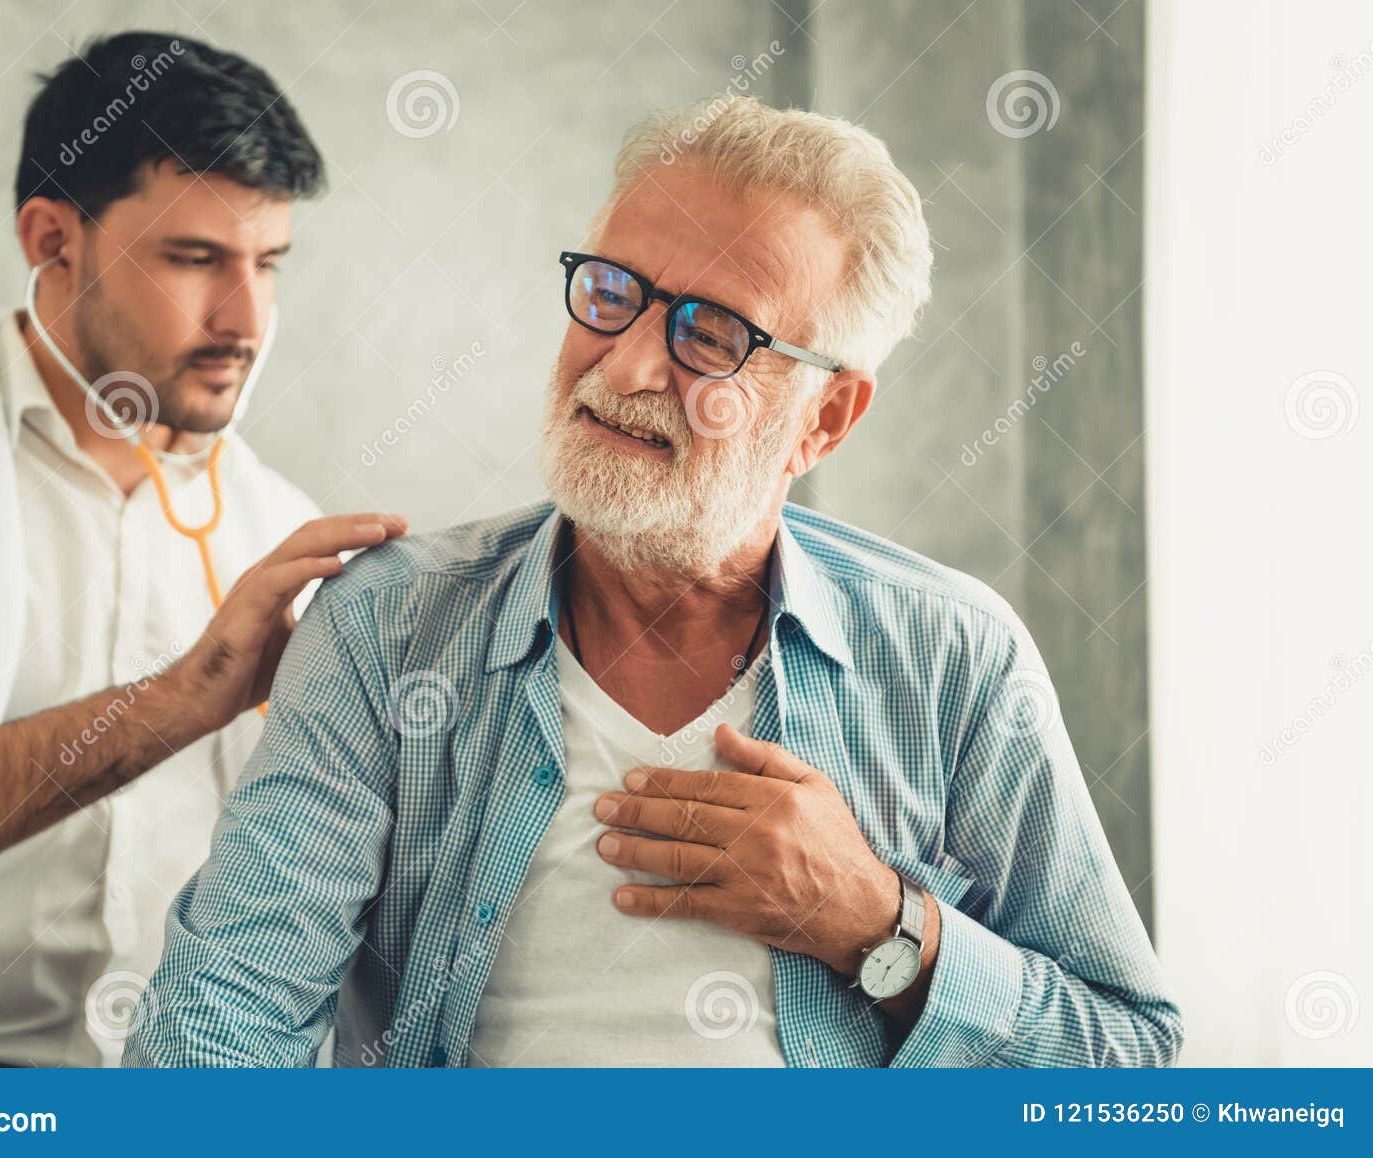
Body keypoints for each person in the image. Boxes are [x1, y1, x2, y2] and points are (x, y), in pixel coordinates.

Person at [124, 96, 1183, 1068]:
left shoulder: (953, 656)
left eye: (712, 334)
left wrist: (875, 923)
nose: (623, 367)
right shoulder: (388, 629)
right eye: (613, 293)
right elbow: (223, 1021)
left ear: (823, 419)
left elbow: (1131, 1069)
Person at [0, 31, 403, 1067]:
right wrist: (177, 701)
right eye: (194, 259)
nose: (245, 318)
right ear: (52, 239)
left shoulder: (274, 523)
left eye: (267, 265)